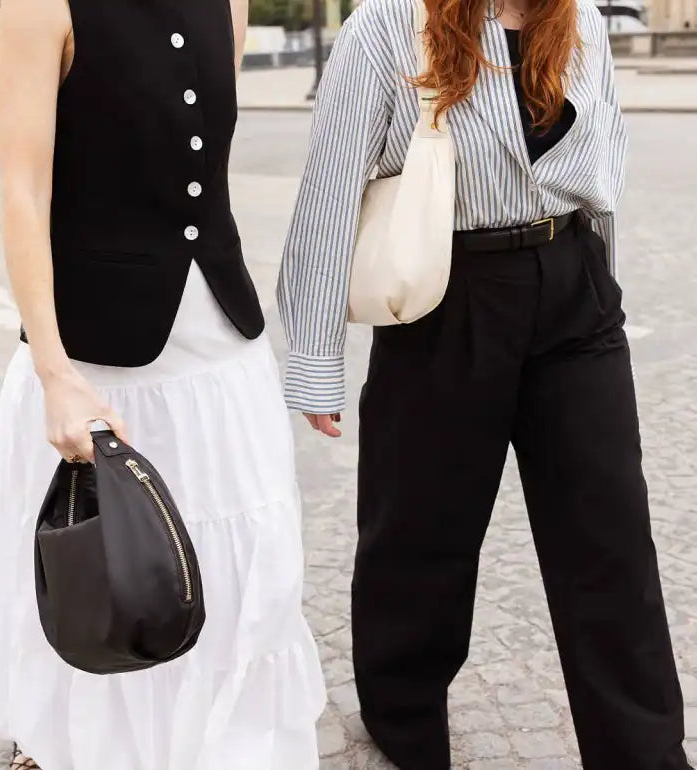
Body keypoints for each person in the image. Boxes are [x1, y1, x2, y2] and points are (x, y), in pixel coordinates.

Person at [278, 0, 694, 768]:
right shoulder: (388, 23)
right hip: (448, 292)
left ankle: (644, 752)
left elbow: (603, 179)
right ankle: (403, 713)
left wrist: (604, 285)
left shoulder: (581, 22)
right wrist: (314, 357)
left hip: (573, 290)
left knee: (612, 537)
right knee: (420, 530)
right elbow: (332, 185)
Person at [0, 0, 325, 767]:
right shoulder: (41, 6)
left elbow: (195, 171)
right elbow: (24, 193)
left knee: (244, 581)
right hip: (97, 372)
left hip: (222, 359)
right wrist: (53, 368)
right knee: (103, 583)